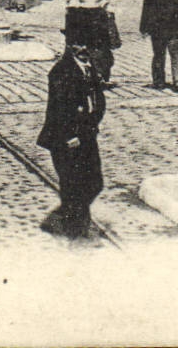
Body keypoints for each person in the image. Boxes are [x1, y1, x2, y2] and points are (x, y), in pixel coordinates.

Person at [37, 22, 107, 240]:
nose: (84, 48)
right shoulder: (61, 72)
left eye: (88, 44)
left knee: (95, 182)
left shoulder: (89, 68)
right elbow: (59, 109)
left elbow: (96, 99)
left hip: (86, 134)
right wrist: (70, 136)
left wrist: (93, 120)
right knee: (73, 184)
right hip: (65, 138)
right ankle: (76, 232)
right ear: (69, 45)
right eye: (78, 44)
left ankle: (64, 218)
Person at [59, 0, 119, 85]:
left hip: (82, 15)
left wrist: (74, 4)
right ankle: (100, 75)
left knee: (81, 44)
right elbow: (113, 1)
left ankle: (83, 75)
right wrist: (105, 8)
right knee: (99, 46)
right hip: (98, 15)